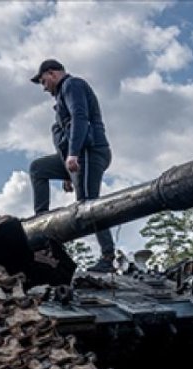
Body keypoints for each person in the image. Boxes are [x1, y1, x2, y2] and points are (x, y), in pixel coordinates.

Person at [28, 59, 115, 273]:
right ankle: (40, 222)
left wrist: (74, 154)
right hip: (76, 155)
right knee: (38, 168)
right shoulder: (61, 96)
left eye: (43, 81)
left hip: (90, 152)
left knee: (89, 204)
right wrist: (67, 173)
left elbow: (80, 118)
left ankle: (108, 256)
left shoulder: (72, 85)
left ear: (52, 73)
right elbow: (65, 134)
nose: (43, 87)